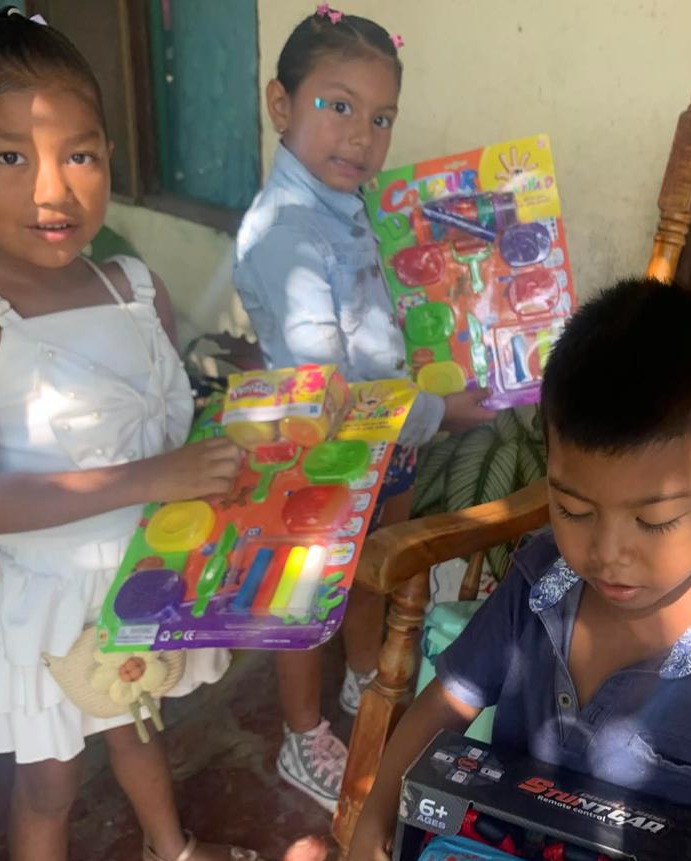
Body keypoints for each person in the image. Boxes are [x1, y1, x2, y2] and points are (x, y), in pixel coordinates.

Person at [0, 8, 275, 861]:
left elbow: (166, 421)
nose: (54, 190)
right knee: (50, 781)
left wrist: (243, 441)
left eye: (81, 155)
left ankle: (168, 850)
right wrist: (159, 472)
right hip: (47, 603)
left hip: (138, 579)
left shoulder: (132, 285)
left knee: (137, 722)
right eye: (9, 156)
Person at [321, 279, 691, 861]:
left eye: (654, 520)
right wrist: (369, 847)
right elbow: (440, 706)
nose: (608, 552)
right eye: (573, 509)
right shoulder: (540, 582)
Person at [233, 5, 494, 813]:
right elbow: (328, 391)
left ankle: (359, 680)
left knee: (372, 575)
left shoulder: (358, 205)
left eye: (381, 118)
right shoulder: (284, 231)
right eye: (338, 106)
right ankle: (302, 734)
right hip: (318, 455)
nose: (361, 135)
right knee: (305, 603)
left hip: (387, 448)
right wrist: (441, 415)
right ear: (281, 105)